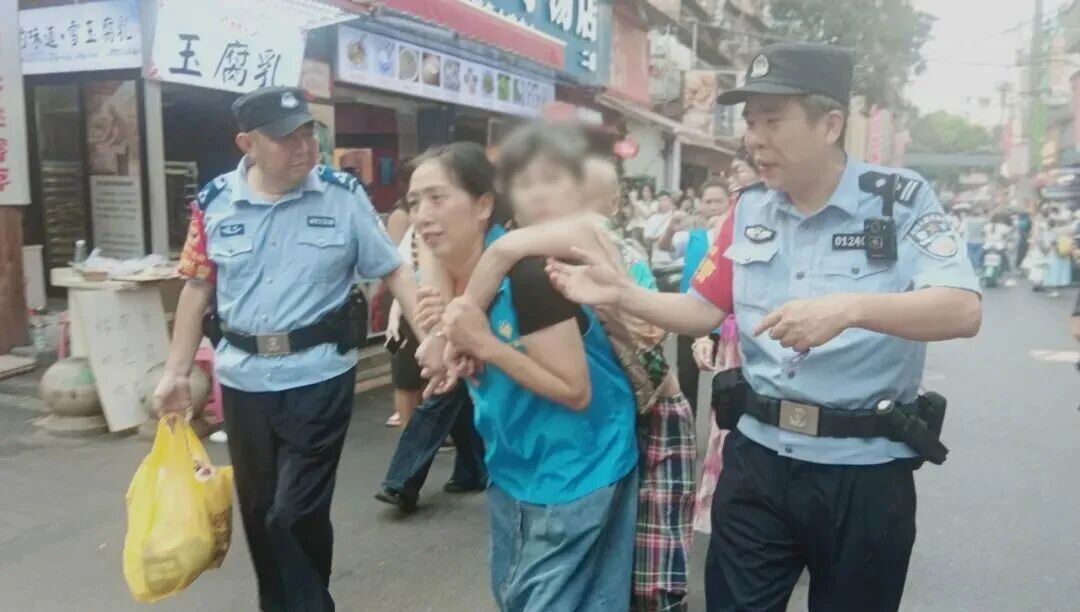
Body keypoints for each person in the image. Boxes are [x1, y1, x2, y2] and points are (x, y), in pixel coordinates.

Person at [545, 42, 982, 612]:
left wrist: (850, 308)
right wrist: (621, 293)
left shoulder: (898, 201)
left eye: (773, 121)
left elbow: (962, 309)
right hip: (758, 463)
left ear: (830, 124)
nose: (755, 138)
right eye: (750, 122)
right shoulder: (748, 209)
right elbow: (702, 310)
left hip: (865, 473)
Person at [157, 87, 420, 611]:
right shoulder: (213, 202)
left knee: (292, 513)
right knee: (261, 515)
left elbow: (394, 268)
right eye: (285, 139)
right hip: (243, 381)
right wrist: (175, 372)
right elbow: (197, 287)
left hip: (319, 376)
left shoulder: (342, 196)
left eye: (308, 135)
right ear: (247, 144)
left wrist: (429, 338)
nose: (303, 148)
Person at [427, 123, 696, 610]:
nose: (538, 194)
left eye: (552, 179)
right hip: (528, 465)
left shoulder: (558, 248)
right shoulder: (505, 254)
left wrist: (472, 338)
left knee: (630, 586)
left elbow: (574, 388)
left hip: (596, 452)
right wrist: (452, 336)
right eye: (526, 182)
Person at [374, 148, 491, 513]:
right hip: (432, 320)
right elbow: (419, 269)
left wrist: (454, 337)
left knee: (445, 395)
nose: (423, 214)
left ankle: (404, 478)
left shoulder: (516, 264)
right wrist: (439, 335)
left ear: (484, 203)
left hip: (569, 469)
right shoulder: (432, 238)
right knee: (451, 390)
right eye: (415, 201)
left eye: (437, 197)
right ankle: (470, 469)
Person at [657, 177, 731, 415]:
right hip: (690, 317)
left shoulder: (738, 237)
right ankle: (688, 429)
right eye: (708, 201)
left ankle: (720, 431)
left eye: (718, 201)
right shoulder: (693, 236)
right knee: (687, 379)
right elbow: (665, 247)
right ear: (700, 204)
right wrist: (671, 228)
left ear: (730, 203)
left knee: (726, 383)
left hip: (726, 322)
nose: (713, 206)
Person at [384, 198, 423, 427]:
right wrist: (393, 317)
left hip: (429, 309)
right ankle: (406, 423)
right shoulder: (406, 224)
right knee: (405, 377)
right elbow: (402, 273)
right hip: (406, 313)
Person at [644, 191, 678, 266]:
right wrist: (660, 237)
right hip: (657, 260)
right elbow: (647, 238)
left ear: (670, 201)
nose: (663, 202)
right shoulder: (652, 218)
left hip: (675, 260)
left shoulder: (676, 216)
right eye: (660, 200)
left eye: (665, 200)